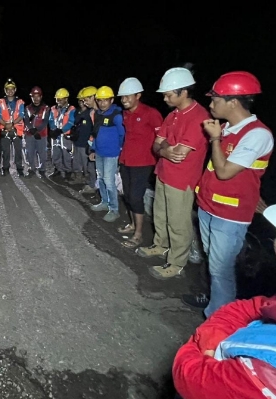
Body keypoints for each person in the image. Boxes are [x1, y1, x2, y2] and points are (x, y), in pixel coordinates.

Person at [182, 71, 274, 316]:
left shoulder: (257, 135)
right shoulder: (227, 128)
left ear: (233, 102)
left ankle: (218, 323)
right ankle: (212, 301)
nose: (211, 104)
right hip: (208, 206)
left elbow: (223, 171)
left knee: (222, 270)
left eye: (216, 99)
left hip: (230, 214)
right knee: (212, 261)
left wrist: (214, 139)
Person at [169, 206, 276, 399]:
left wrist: (199, 349)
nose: (274, 244)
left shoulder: (269, 369)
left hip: (199, 390)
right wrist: (212, 337)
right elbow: (251, 307)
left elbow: (191, 379)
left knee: (221, 270)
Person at [138, 67, 210, 280]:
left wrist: (165, 149)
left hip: (182, 179)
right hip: (163, 173)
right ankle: (160, 245)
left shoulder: (199, 117)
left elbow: (179, 154)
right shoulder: (172, 115)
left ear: (184, 92)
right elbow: (157, 145)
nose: (165, 98)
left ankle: (177, 262)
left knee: (178, 223)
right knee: (160, 215)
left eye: (169, 94)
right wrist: (165, 150)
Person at [117, 77, 163, 247]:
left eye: (128, 96)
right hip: (126, 160)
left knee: (136, 197)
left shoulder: (151, 113)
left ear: (138, 95)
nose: (124, 100)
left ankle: (138, 234)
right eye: (122, 97)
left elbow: (161, 137)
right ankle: (132, 224)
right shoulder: (125, 114)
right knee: (128, 196)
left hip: (143, 163)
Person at [88, 86, 124, 222]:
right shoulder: (98, 114)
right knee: (101, 179)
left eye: (105, 100)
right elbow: (96, 134)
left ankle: (114, 209)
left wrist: (119, 149)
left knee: (109, 182)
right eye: (100, 100)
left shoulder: (116, 115)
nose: (102, 103)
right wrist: (93, 149)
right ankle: (104, 202)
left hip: (111, 153)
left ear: (112, 100)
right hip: (99, 152)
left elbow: (122, 135)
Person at [0, 78, 25, 177]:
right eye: (8, 89)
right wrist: (6, 125)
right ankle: (5, 168)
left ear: (15, 89)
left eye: (12, 88)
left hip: (17, 130)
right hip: (5, 130)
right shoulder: (0, 102)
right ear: (5, 90)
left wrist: (11, 124)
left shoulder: (20, 102)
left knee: (18, 151)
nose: (10, 91)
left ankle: (19, 168)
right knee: (6, 151)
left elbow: (21, 114)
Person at [48, 88, 76, 179]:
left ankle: (68, 172)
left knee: (67, 154)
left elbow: (71, 122)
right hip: (56, 135)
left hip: (65, 136)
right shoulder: (53, 108)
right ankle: (58, 170)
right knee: (55, 153)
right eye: (57, 99)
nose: (58, 101)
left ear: (66, 99)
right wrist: (53, 129)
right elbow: (51, 120)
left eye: (60, 99)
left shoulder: (71, 109)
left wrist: (61, 130)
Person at [24, 86, 50, 178]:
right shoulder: (27, 108)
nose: (36, 98)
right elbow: (26, 121)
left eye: (37, 96)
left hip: (41, 135)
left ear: (41, 96)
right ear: (31, 97)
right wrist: (32, 130)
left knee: (42, 153)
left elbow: (45, 121)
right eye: (33, 96)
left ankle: (42, 169)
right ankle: (32, 169)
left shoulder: (46, 108)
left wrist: (37, 131)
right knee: (30, 153)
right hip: (30, 135)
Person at [77, 86, 99, 193]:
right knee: (91, 166)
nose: (84, 103)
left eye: (86, 100)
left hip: (102, 145)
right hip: (93, 143)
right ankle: (93, 186)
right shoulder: (91, 112)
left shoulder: (102, 112)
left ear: (94, 97)